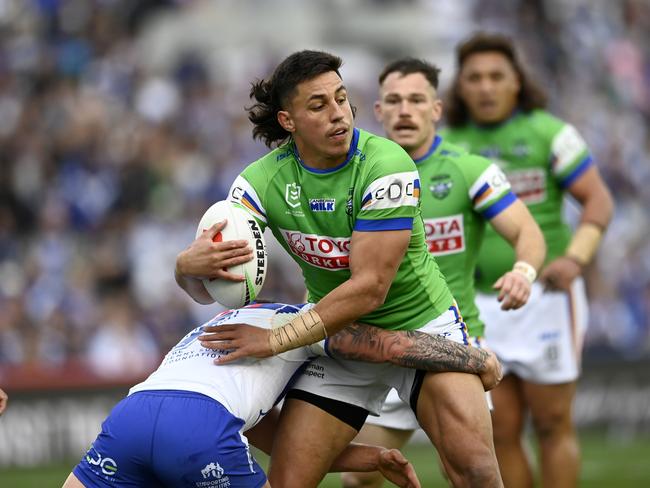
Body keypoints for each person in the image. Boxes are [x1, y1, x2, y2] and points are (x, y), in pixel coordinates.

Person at [176, 50, 503, 487]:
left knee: (476, 471)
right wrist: (186, 268)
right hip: (339, 338)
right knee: (288, 481)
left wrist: (276, 340)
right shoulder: (259, 182)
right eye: (318, 105)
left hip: (422, 326)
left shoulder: (387, 166)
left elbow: (370, 290)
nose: (339, 114)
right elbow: (217, 283)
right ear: (288, 121)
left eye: (342, 98)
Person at [341, 57, 546, 488]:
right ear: (378, 111)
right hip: (375, 343)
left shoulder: (468, 170)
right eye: (393, 101)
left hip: (447, 343)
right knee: (357, 478)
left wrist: (523, 272)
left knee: (472, 474)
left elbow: (528, 231)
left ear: (436, 109)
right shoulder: (353, 173)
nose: (404, 110)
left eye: (416, 100)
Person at [62, 301, 501, 488]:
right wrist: (479, 361)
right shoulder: (299, 321)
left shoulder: (211, 326)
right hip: (201, 426)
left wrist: (369, 456)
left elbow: (266, 435)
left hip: (131, 415)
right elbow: (394, 347)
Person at [442, 32, 614, 488]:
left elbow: (597, 202)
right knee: (501, 431)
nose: (485, 87)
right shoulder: (446, 144)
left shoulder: (551, 134)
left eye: (496, 76)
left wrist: (575, 259)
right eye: (474, 77)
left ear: (517, 81)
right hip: (479, 305)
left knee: (553, 423)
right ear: (460, 86)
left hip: (546, 298)